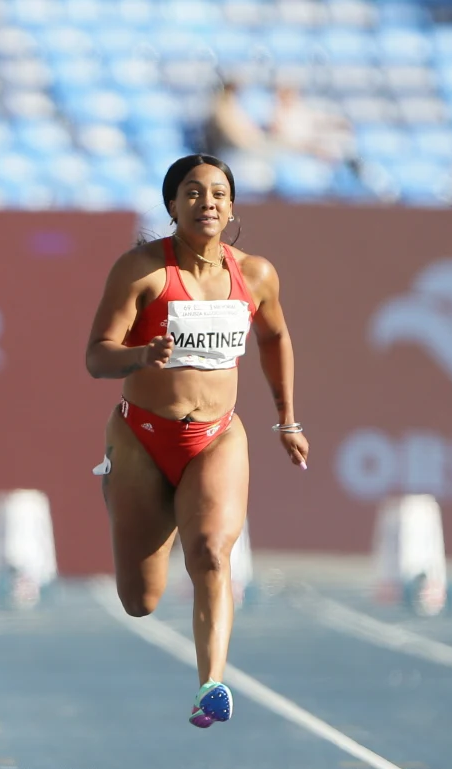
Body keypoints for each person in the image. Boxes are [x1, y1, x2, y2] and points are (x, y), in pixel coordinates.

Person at [84, 154, 308, 728]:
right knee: (141, 601)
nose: (206, 202)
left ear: (231, 207)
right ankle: (127, 496)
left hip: (216, 437)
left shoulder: (255, 275)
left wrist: (287, 420)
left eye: (217, 193)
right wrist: (140, 355)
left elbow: (276, 337)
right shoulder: (141, 271)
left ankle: (211, 682)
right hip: (141, 436)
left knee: (210, 553)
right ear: (171, 205)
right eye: (192, 192)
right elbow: (96, 356)